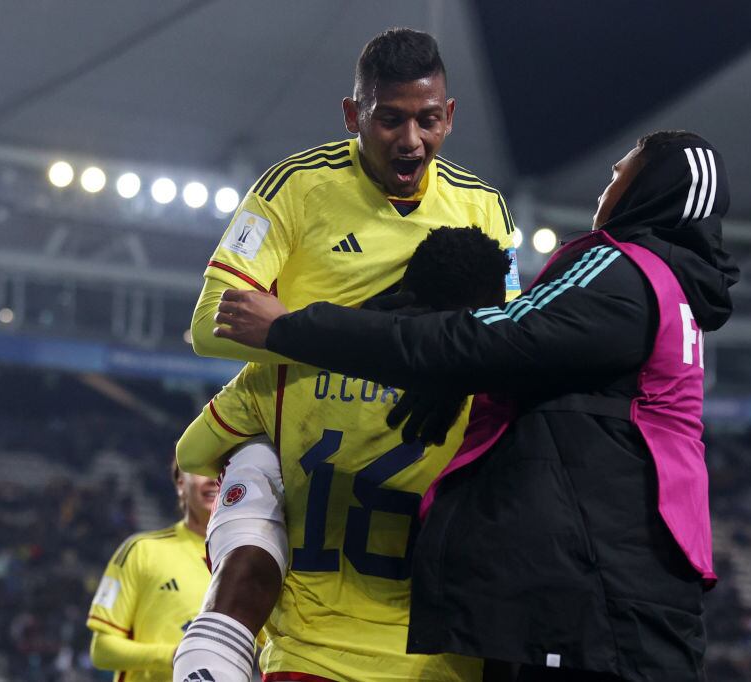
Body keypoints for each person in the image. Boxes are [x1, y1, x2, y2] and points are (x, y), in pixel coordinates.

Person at [212, 131, 741, 681]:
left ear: (652, 189)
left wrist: (295, 328)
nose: (608, 178)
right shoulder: (672, 289)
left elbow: (486, 341)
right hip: (634, 586)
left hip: (593, 590)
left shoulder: (619, 268)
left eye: (621, 172)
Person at [176, 25, 518, 682]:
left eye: (426, 120)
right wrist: (357, 338)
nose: (411, 140)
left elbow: (499, 347)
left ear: (449, 117)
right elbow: (207, 326)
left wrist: (309, 331)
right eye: (389, 119)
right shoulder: (293, 189)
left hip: (437, 634)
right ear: (353, 113)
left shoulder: (482, 209)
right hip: (316, 618)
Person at [174, 227, 510, 682]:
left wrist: (264, 456)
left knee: (251, 458)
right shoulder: (496, 403)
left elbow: (191, 453)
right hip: (435, 666)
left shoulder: (287, 371)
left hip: (306, 661)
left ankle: (214, 643)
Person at [88, 460, 219, 681]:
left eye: (220, 470)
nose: (212, 479)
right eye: (200, 471)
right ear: (180, 484)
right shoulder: (141, 551)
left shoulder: (252, 563)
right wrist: (171, 655)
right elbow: (101, 650)